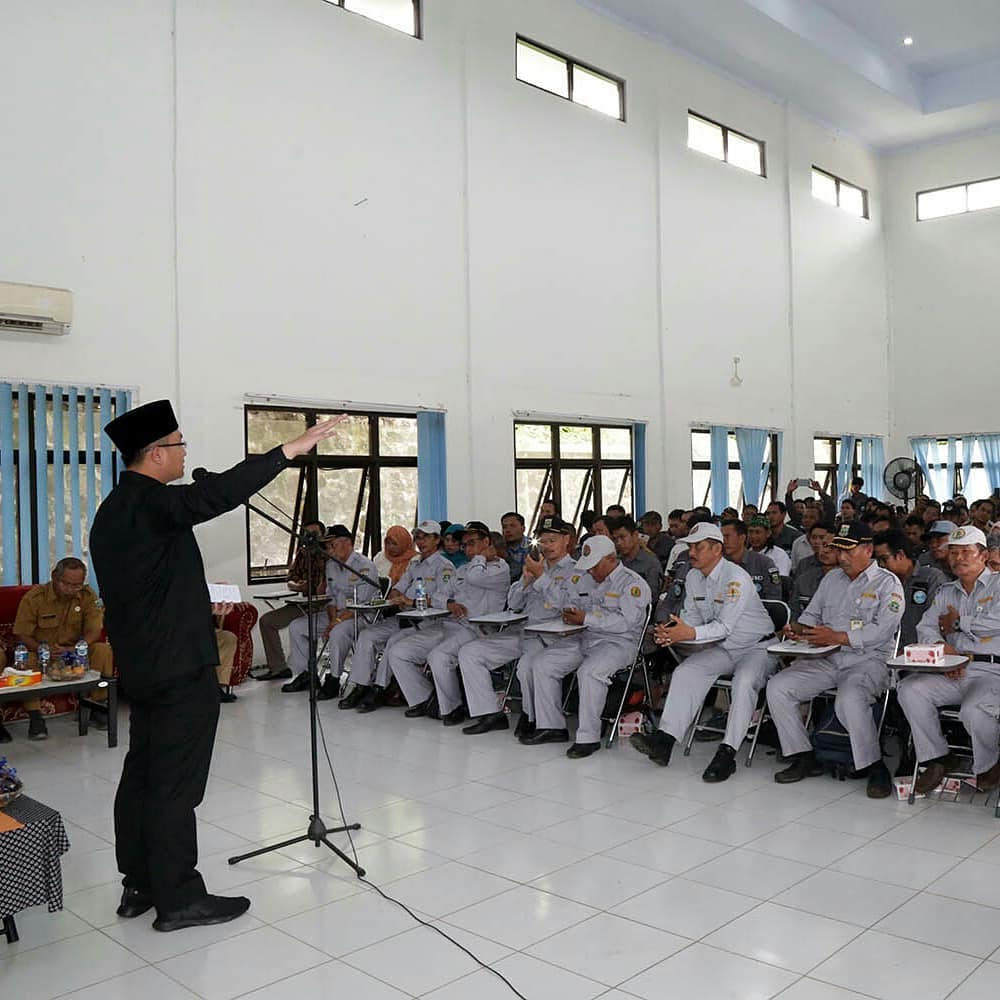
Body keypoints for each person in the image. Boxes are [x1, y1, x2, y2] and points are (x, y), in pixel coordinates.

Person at [90, 399, 342, 932]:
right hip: (179, 668)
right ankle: (179, 898)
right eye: (180, 445)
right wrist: (288, 451)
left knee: (143, 776)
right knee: (175, 785)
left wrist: (194, 606)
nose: (185, 454)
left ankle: (139, 884)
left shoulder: (115, 508)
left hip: (145, 665)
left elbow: (145, 589)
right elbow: (216, 494)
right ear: (156, 454)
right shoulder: (153, 503)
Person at [630, 522, 777, 782]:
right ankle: (664, 741)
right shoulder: (694, 576)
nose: (692, 552)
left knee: (743, 683)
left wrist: (687, 633)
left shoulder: (736, 578)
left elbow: (723, 626)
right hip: (722, 646)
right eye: (690, 547)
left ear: (717, 549)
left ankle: (727, 752)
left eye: (698, 547)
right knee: (687, 671)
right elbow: (692, 618)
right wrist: (672, 631)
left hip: (757, 647)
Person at [765, 522, 902, 798]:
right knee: (778, 687)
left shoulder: (888, 583)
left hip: (868, 660)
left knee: (849, 698)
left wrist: (838, 637)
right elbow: (811, 618)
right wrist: (799, 631)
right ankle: (803, 755)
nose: (841, 557)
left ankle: (874, 765)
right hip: (826, 657)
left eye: (848, 551)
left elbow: (882, 631)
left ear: (868, 549)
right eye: (839, 550)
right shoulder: (831, 579)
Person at [519, 534, 650, 758]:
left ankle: (588, 738)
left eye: (594, 566)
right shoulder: (585, 578)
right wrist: (570, 613)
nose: (590, 571)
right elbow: (564, 601)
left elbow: (626, 622)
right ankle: (551, 727)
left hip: (619, 643)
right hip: (584, 636)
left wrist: (586, 618)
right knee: (542, 663)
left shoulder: (632, 583)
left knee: (589, 672)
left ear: (610, 559)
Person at [898, 526, 1000, 794]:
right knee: (910, 689)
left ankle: (989, 764)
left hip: (992, 670)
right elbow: (926, 627)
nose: (958, 558)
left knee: (973, 711)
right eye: (953, 552)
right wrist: (944, 649)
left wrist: (957, 622)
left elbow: (996, 622)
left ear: (984, 555)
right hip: (953, 668)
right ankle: (937, 758)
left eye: (966, 552)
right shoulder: (946, 591)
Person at [459, 516, 577, 736]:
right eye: (543, 541)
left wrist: (541, 577)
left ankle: (533, 717)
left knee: (526, 666)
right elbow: (513, 604)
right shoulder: (535, 566)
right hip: (523, 630)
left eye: (553, 540)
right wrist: (525, 581)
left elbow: (566, 606)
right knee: (470, 652)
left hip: (552, 636)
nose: (547, 546)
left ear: (566, 540)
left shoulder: (576, 571)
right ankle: (490, 714)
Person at [386, 521, 508, 723]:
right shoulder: (463, 569)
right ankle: (424, 699)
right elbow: (441, 595)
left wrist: (480, 556)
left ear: (487, 542)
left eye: (473, 543)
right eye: (466, 544)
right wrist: (450, 603)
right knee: (399, 652)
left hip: (476, 629)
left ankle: (453, 707)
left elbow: (476, 578)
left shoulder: (498, 568)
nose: (468, 548)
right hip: (449, 624)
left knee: (438, 656)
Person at [338, 521, 453, 713]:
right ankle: (360, 685)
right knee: (367, 636)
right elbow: (399, 587)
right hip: (402, 617)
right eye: (418, 537)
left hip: (428, 622)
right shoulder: (415, 563)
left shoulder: (445, 567)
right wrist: (393, 596)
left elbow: (444, 599)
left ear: (437, 540)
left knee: (393, 642)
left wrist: (413, 602)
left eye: (426, 537)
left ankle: (379, 689)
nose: (421, 541)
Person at [3, 557, 113, 742]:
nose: (71, 589)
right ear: (55, 577)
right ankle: (36, 718)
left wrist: (76, 647)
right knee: (26, 661)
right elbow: (22, 633)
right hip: (42, 653)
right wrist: (41, 648)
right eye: (66, 584)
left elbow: (94, 630)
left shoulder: (88, 596)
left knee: (103, 650)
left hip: (74, 653)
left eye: (77, 585)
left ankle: (97, 706)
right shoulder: (35, 598)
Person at [254, 520, 327, 681]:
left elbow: (326, 586)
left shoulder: (329, 554)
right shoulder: (302, 552)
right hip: (302, 603)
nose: (310, 538)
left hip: (323, 605)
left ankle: (308, 673)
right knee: (267, 621)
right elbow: (291, 579)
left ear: (323, 535)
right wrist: (297, 586)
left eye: (314, 535)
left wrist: (308, 587)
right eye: (307, 535)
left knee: (307, 627)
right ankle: (278, 668)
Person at [872, 529, 947, 648]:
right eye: (878, 560)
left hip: (923, 652)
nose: (881, 565)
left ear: (900, 555)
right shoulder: (882, 582)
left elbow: (934, 620)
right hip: (886, 651)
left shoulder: (931, 578)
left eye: (884, 559)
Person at [720, 519, 781, 600]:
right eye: (721, 537)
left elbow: (774, 599)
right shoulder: (718, 563)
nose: (723, 541)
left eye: (727, 536)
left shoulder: (764, 563)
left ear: (742, 538)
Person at [789, 523, 838, 617]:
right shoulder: (803, 579)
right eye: (824, 545)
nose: (825, 550)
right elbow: (793, 611)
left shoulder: (848, 579)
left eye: (831, 547)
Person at [609, 515, 662, 596]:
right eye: (615, 539)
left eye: (622, 537)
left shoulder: (650, 562)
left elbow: (653, 595)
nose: (618, 543)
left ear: (635, 535)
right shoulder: (614, 562)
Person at [500, 511, 532, 581]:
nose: (507, 530)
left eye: (512, 526)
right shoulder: (499, 548)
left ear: (523, 528)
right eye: (504, 527)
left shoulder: (533, 547)